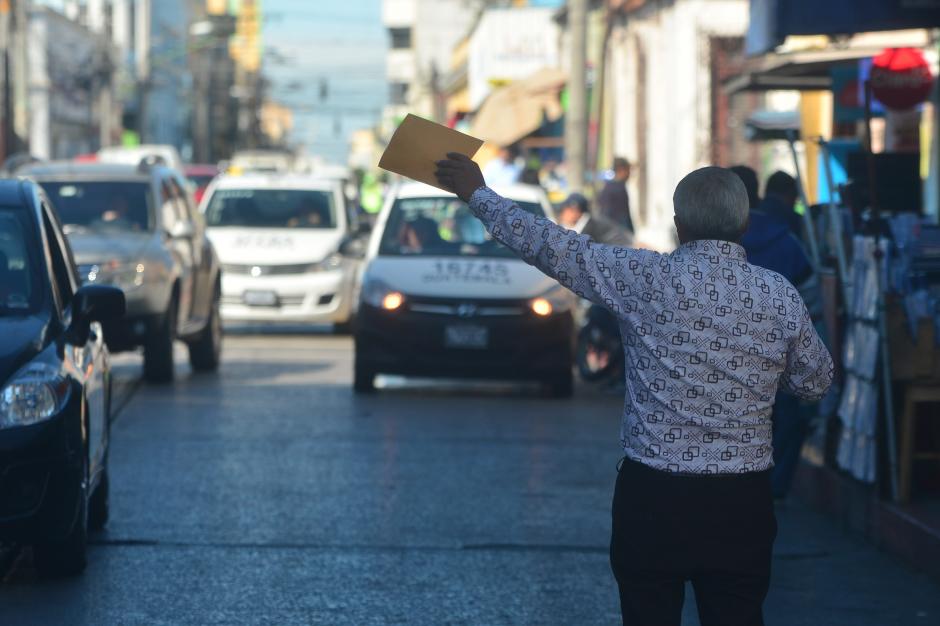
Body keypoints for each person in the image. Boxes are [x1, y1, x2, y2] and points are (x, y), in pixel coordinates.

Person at [435, 154, 833, 626]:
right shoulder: (778, 294)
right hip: (740, 504)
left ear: (679, 225)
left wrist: (478, 195)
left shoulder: (644, 278)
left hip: (654, 500)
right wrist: (763, 374)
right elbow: (816, 380)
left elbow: (553, 246)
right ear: (744, 222)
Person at [736, 167, 819, 500]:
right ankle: (772, 487)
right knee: (785, 417)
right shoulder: (787, 239)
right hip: (775, 355)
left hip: (722, 358)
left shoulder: (702, 243)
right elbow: (810, 294)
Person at [557, 192, 632, 247]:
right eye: (564, 210)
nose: (564, 214)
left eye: (568, 211)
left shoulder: (593, 228)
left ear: (578, 212)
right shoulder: (563, 227)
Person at [597, 157, 634, 233]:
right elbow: (620, 216)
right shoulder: (616, 188)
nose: (629, 174)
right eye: (628, 170)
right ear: (621, 170)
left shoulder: (611, 186)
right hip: (617, 234)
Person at [760, 171, 802, 236]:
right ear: (790, 193)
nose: (794, 202)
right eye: (795, 196)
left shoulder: (756, 211)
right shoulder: (788, 216)